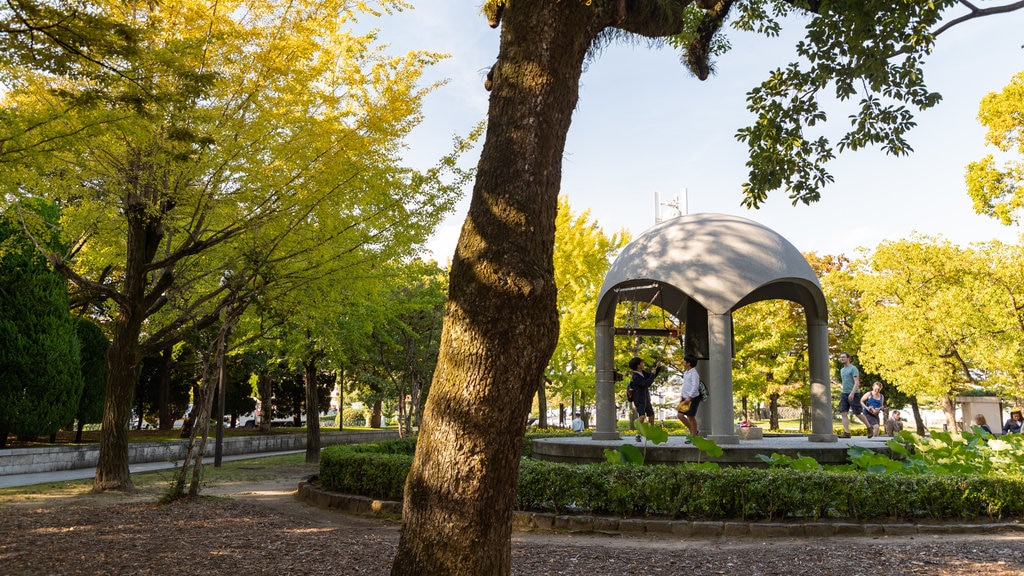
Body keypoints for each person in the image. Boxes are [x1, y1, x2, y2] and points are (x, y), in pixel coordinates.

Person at [628, 356, 664, 442]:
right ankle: (638, 434)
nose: (643, 364)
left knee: (651, 414)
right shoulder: (635, 376)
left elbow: (652, 377)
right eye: (641, 363)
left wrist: (658, 367)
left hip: (646, 398)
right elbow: (647, 383)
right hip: (639, 399)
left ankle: (651, 431)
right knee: (642, 416)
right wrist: (652, 374)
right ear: (638, 365)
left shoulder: (642, 372)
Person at [837, 352, 867, 438]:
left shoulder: (853, 369)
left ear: (848, 358)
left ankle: (869, 427)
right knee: (843, 413)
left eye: (843, 357)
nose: (842, 359)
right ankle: (847, 433)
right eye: (841, 357)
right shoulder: (842, 370)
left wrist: (852, 393)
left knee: (857, 413)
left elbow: (856, 382)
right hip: (844, 393)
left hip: (854, 393)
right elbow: (845, 382)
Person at [676, 354, 702, 441]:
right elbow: (685, 386)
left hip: (693, 397)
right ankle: (693, 430)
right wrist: (681, 396)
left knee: (690, 416)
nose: (683, 362)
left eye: (684, 361)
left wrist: (690, 397)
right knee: (680, 415)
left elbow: (695, 386)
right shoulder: (686, 373)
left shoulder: (694, 373)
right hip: (685, 397)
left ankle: (693, 436)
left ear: (688, 363)